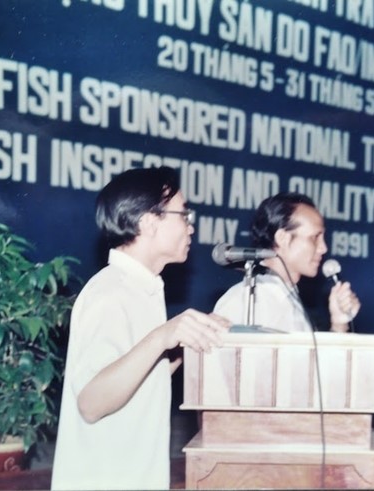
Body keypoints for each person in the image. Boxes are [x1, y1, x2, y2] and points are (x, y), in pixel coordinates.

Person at [51, 167, 230, 490]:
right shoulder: (110, 292)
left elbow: (135, 375)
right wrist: (162, 337)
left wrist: (186, 345)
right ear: (149, 222)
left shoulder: (140, 288)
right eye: (183, 215)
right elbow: (91, 403)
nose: (190, 227)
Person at [214, 192, 360, 333]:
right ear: (283, 238)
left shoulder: (292, 301)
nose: (323, 248)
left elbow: (313, 359)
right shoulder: (242, 301)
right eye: (315, 237)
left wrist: (339, 324)